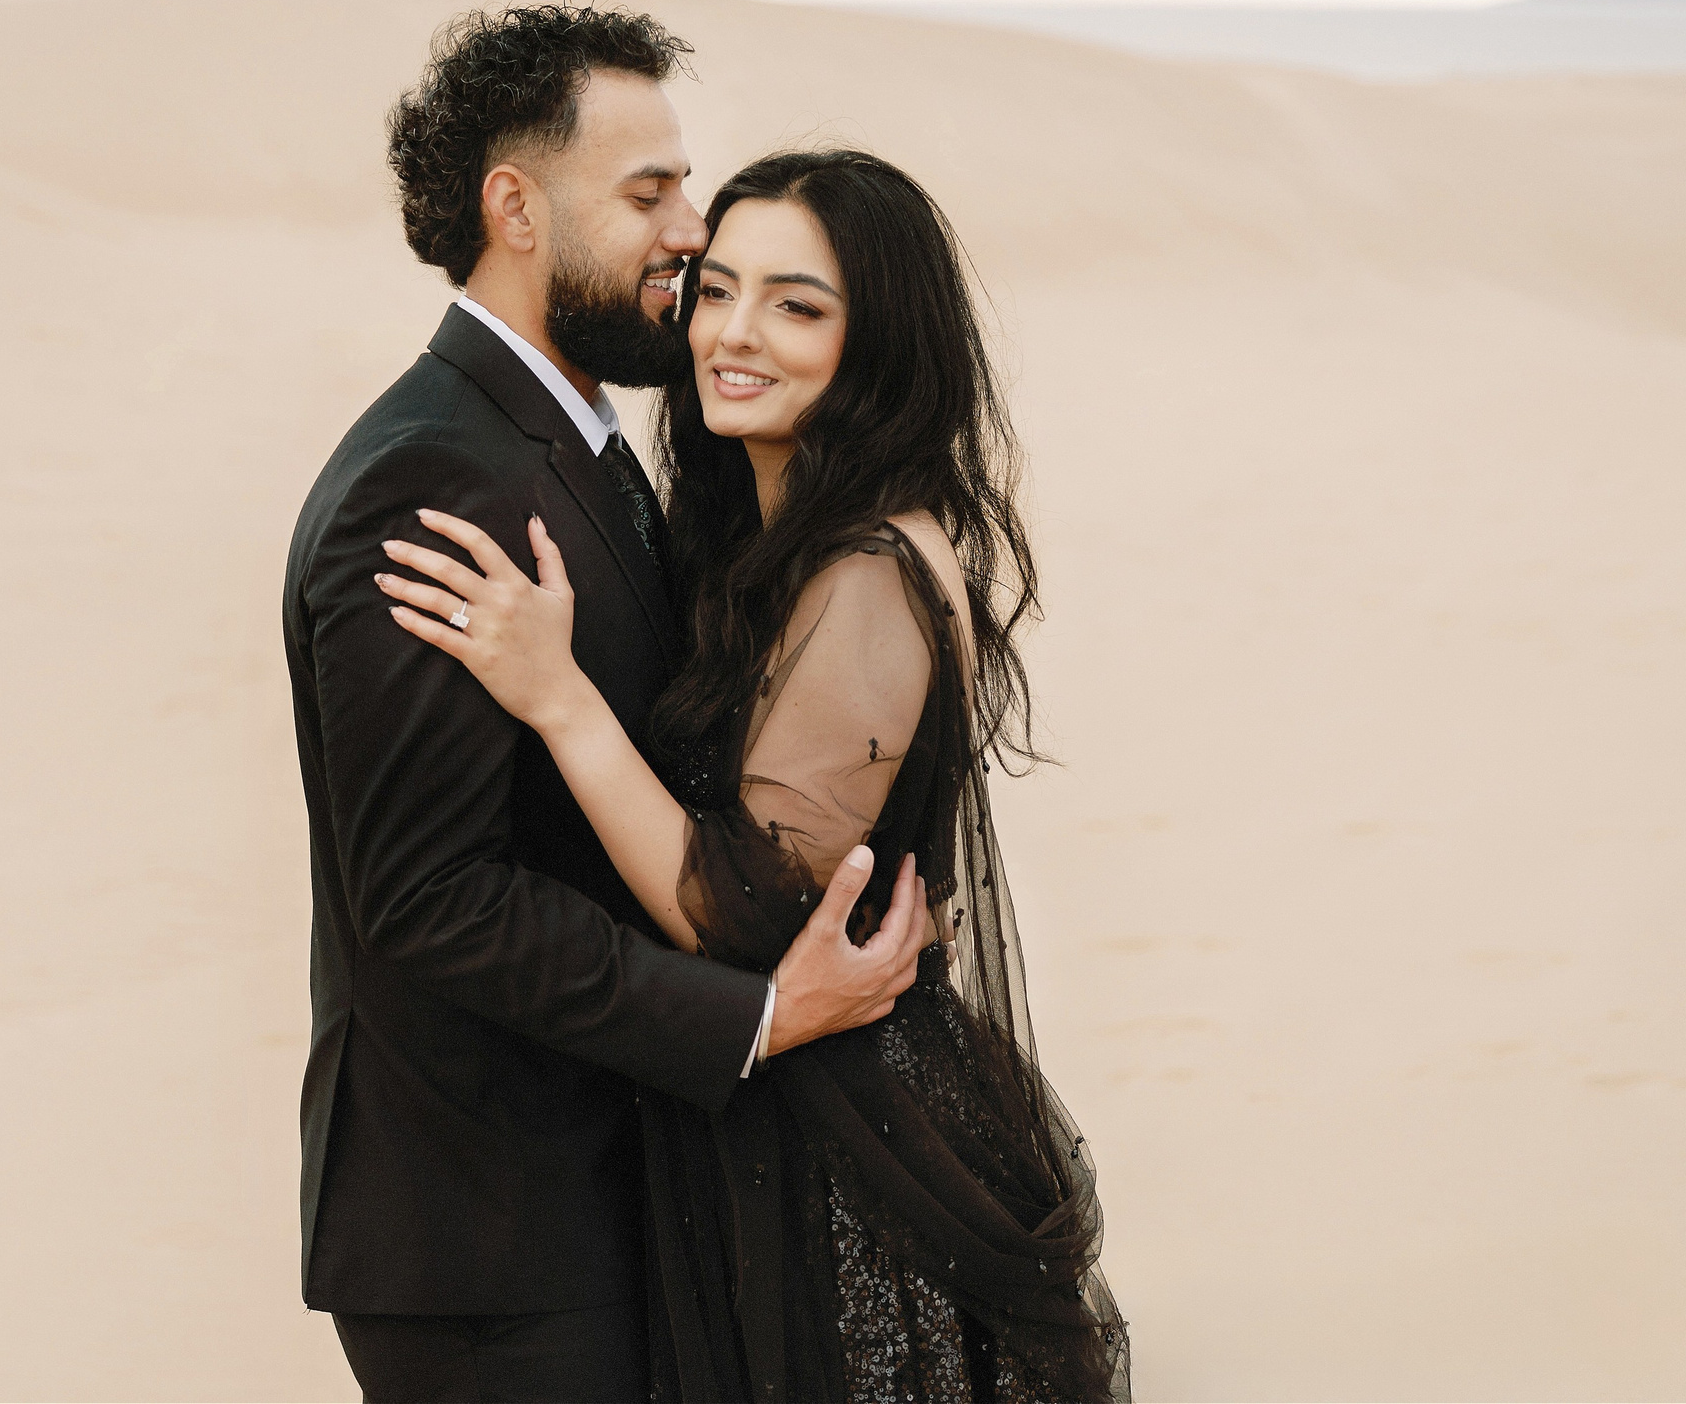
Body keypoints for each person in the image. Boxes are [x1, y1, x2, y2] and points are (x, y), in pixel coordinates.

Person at [383, 148, 1130, 1401]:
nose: (734, 335)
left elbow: (741, 908)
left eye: (797, 306)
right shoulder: (771, 542)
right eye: (716, 289)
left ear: (878, 341)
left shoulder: (868, 571)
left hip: (854, 1172)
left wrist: (558, 698)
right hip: (781, 1133)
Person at [284, 9, 931, 1403]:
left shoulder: (575, 434)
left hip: (590, 1199)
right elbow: (432, 897)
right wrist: (754, 1015)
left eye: (684, 186)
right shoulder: (434, 479)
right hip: (492, 1243)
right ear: (514, 208)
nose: (687, 229)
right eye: (649, 193)